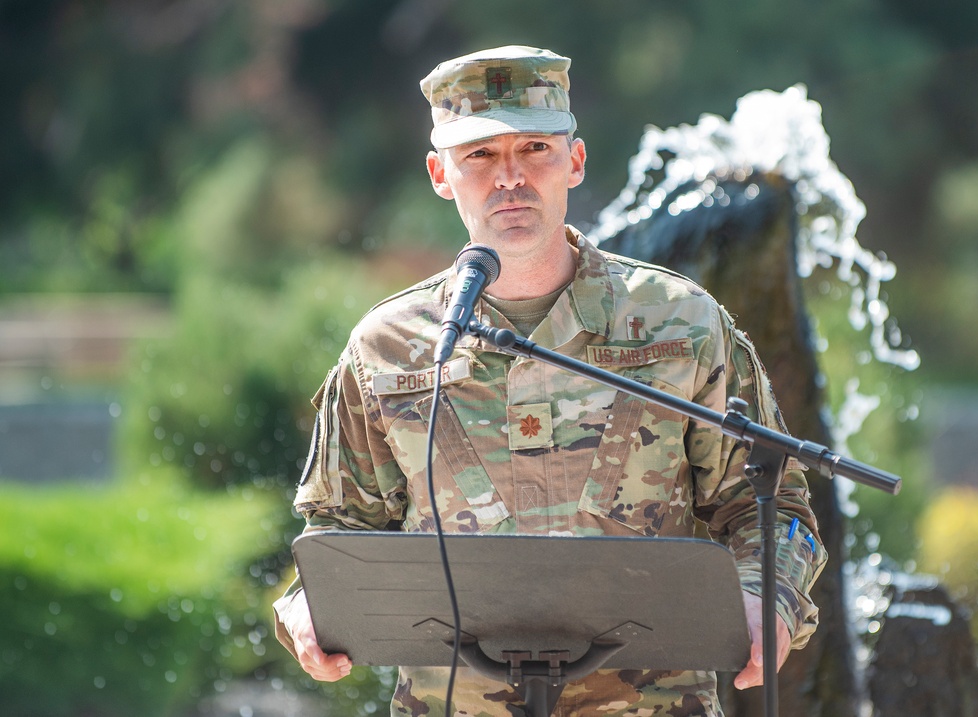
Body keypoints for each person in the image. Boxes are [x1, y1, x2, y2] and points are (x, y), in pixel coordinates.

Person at [273, 45, 827, 717]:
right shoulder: (385, 347)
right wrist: (307, 606)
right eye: (478, 154)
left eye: (534, 147)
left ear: (575, 160)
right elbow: (338, 529)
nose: (510, 176)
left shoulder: (678, 323)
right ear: (439, 174)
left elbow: (775, 510)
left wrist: (765, 596)